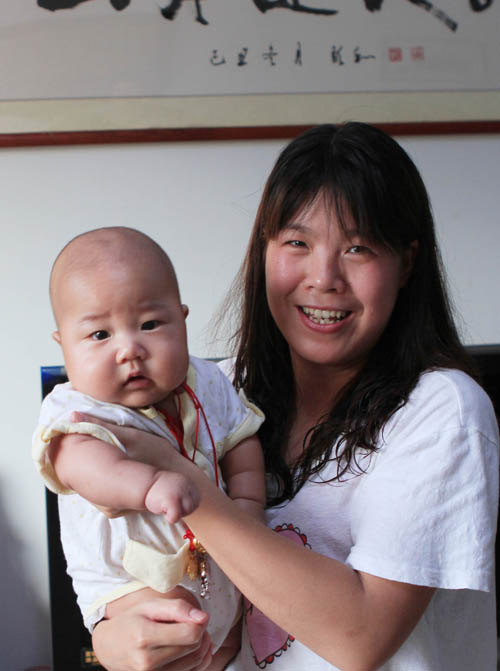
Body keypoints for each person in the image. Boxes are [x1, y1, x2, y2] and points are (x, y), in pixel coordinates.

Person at [70, 123, 499, 671]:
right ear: (264, 250)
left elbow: (362, 638)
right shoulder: (217, 391)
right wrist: (108, 635)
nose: (324, 278)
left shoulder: (442, 410)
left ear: (406, 262)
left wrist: (182, 480)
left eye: (358, 248)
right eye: (297, 243)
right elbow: (104, 537)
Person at [32, 227, 266, 669]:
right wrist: (148, 484)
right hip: (134, 578)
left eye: (150, 325)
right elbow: (80, 463)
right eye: (100, 334)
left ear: (182, 319)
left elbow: (241, 438)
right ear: (64, 345)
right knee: (175, 627)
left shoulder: (210, 381)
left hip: (222, 566)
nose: (129, 350)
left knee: (229, 642)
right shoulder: (76, 408)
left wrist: (249, 505)